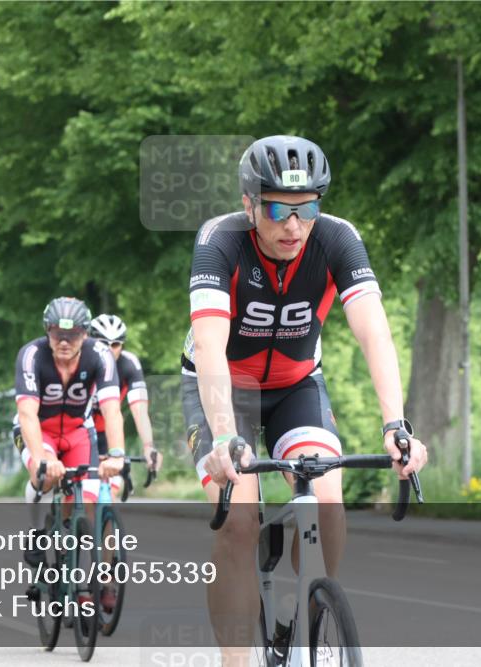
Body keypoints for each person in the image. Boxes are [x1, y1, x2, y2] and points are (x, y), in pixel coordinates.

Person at [182, 135, 429, 663]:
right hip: (223, 387)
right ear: (250, 204)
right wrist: (225, 435)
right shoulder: (219, 240)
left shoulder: (337, 239)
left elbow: (374, 332)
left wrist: (396, 424)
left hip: (297, 385)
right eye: (278, 209)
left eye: (307, 208)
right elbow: (208, 346)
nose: (294, 226)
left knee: (328, 500)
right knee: (239, 524)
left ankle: (308, 619)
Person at [13, 298, 126, 565]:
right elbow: (27, 413)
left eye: (73, 335)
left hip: (77, 431)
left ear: (85, 334)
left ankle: (73, 560)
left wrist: (117, 453)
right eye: (57, 334)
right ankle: (37, 532)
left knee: (87, 501)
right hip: (40, 430)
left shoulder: (100, 355)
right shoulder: (31, 355)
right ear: (47, 331)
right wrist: (42, 458)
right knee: (45, 478)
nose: (64, 342)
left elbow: (112, 411)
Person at [87, 313, 161, 499]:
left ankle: (101, 525)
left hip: (107, 433)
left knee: (110, 489)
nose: (110, 350)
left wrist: (148, 446)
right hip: (79, 431)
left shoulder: (129, 364)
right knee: (79, 490)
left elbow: (139, 411)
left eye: (115, 344)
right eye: (104, 343)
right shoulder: (81, 361)